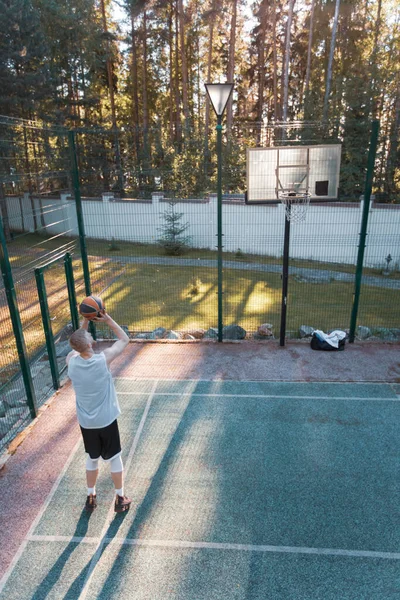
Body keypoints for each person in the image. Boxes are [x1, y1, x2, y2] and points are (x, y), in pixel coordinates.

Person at [66, 312, 131, 513]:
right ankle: (120, 498)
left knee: (92, 458)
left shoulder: (71, 361)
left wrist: (85, 320)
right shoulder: (103, 360)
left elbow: (78, 342)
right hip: (107, 420)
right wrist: (108, 319)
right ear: (90, 344)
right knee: (115, 458)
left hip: (87, 423)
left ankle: (91, 496)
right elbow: (124, 339)